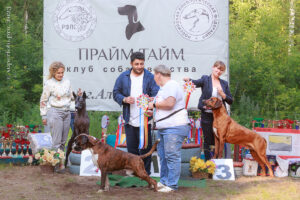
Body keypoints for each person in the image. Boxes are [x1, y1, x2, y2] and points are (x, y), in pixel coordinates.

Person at [113, 52, 159, 175]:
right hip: (129, 119)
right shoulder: (123, 77)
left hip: (145, 119)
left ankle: (146, 173)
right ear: (131, 64)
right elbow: (115, 92)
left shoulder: (150, 77)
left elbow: (156, 94)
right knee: (131, 149)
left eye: (142, 64)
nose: (139, 66)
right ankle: (134, 173)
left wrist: (151, 107)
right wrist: (124, 99)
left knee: (146, 148)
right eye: (136, 64)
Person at [148, 65, 190, 193]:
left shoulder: (171, 85)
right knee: (163, 156)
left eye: (154, 75)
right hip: (165, 127)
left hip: (174, 127)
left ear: (158, 74)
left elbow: (170, 104)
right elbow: (165, 106)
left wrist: (154, 104)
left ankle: (171, 185)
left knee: (171, 156)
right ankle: (164, 181)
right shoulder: (164, 88)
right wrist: (154, 113)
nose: (154, 78)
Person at [183, 61, 233, 161]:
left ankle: (220, 162)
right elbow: (195, 82)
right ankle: (208, 164)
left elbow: (230, 100)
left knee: (221, 139)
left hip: (221, 118)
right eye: (217, 68)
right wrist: (188, 80)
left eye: (221, 70)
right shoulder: (205, 79)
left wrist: (223, 95)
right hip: (207, 116)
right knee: (208, 140)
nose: (219, 71)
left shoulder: (224, 83)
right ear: (213, 67)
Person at [40, 61, 73, 155]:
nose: (61, 75)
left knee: (63, 141)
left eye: (62, 72)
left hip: (67, 112)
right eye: (58, 73)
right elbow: (43, 100)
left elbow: (71, 96)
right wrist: (44, 115)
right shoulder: (49, 83)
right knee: (56, 141)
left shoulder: (67, 82)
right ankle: (55, 164)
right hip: (55, 112)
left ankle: (61, 161)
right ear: (53, 72)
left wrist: (77, 96)